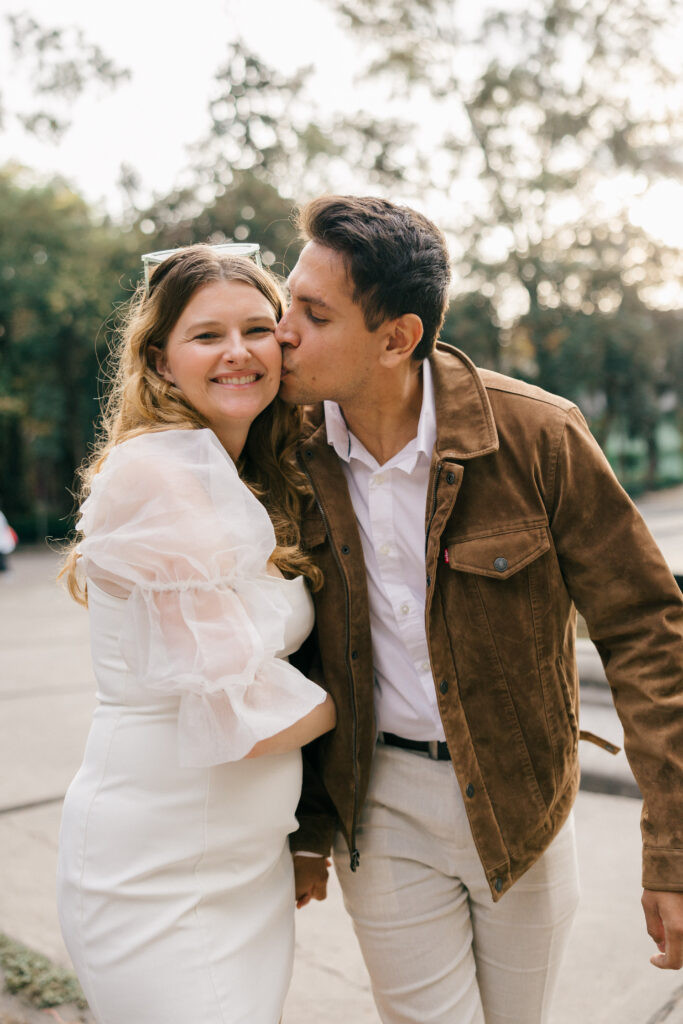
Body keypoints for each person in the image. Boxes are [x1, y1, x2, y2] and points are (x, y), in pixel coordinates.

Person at [275, 195, 683, 1023]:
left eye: (312, 314)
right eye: (288, 301)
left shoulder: (539, 435)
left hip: (518, 797)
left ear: (397, 338)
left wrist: (672, 849)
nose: (281, 329)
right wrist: (308, 823)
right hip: (377, 803)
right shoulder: (284, 452)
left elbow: (647, 632)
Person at [56, 244, 336, 1024]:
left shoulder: (254, 474)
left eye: (256, 328)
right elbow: (240, 718)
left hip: (243, 866)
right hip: (156, 865)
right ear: (159, 358)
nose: (239, 352)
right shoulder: (155, 473)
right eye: (207, 335)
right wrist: (397, 700)